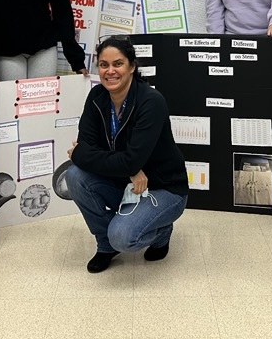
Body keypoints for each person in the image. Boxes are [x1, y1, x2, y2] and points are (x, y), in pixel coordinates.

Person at [67, 37, 189, 273]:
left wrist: (127, 165)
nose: (110, 71)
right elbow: (89, 146)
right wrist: (130, 169)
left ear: (132, 66)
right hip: (125, 182)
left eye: (118, 64)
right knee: (75, 176)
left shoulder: (151, 102)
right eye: (103, 65)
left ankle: (162, 232)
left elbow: (90, 152)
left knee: (123, 237)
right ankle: (106, 245)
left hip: (163, 188)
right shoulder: (96, 98)